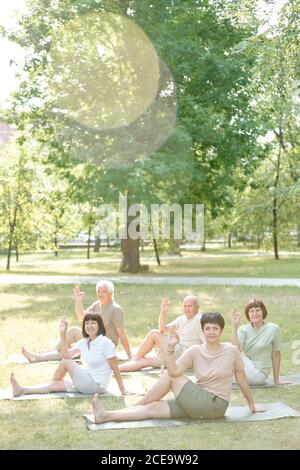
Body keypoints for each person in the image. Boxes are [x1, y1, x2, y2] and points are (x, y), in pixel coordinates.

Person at [91, 312, 263, 424]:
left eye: (215, 328)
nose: (211, 332)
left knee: (171, 377)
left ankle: (135, 404)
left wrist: (251, 405)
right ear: (202, 331)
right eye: (207, 328)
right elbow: (174, 369)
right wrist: (171, 347)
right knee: (152, 408)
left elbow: (241, 379)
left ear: (221, 330)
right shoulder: (195, 351)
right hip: (196, 401)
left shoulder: (231, 351)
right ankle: (106, 415)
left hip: (215, 404)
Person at [11, 313, 127, 397]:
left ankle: (53, 381)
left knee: (66, 363)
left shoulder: (105, 343)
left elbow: (115, 368)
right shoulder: (84, 342)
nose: (89, 325)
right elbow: (65, 355)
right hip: (86, 381)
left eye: (93, 323)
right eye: (87, 323)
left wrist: (122, 390)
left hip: (97, 385)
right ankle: (21, 390)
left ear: (99, 326)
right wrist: (62, 333)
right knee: (54, 385)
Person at [22, 280, 132, 363]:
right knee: (73, 331)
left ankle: (38, 357)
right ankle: (47, 352)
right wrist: (78, 302)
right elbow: (81, 317)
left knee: (72, 351)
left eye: (103, 291)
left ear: (111, 293)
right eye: (98, 291)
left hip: (104, 346)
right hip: (93, 338)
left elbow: (121, 334)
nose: (100, 294)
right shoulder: (97, 304)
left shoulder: (116, 309)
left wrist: (129, 356)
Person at [119, 295, 204, 372]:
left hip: (183, 354)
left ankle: (136, 357)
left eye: (190, 306)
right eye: (185, 306)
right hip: (173, 355)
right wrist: (163, 312)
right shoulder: (182, 318)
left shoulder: (199, 319)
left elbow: (206, 343)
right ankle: (115, 369)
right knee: (144, 361)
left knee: (154, 334)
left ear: (197, 307)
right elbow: (163, 329)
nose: (187, 309)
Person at [231, 298, 289, 385]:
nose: (255, 313)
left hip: (258, 374)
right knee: (227, 347)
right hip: (243, 371)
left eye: (257, 310)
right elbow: (236, 350)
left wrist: (276, 380)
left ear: (263, 312)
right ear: (248, 314)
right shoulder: (243, 329)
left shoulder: (273, 329)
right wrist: (234, 326)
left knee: (228, 347)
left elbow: (276, 355)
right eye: (251, 311)